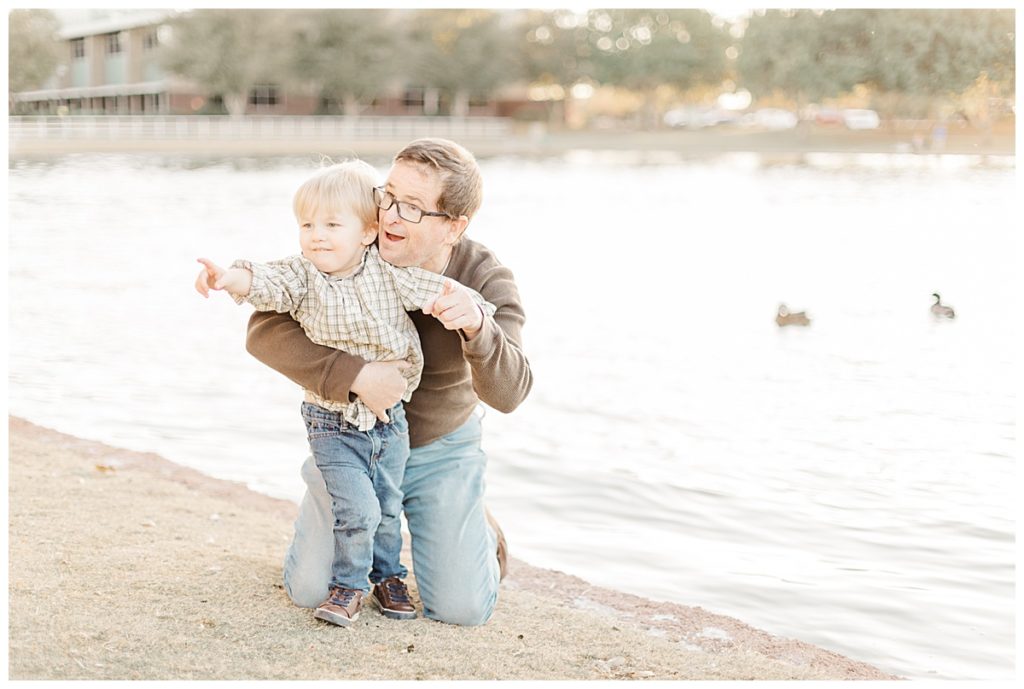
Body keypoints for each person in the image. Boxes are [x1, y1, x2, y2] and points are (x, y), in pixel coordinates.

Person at [194, 159, 494, 627]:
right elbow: (264, 287)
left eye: (332, 225)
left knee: (402, 531)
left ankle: (391, 572)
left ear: (366, 232)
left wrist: (473, 315)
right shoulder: (307, 273)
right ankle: (347, 588)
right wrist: (227, 277)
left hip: (407, 432)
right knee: (352, 520)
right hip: (335, 424)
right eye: (307, 224)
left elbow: (435, 292)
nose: (316, 235)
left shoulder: (402, 271)